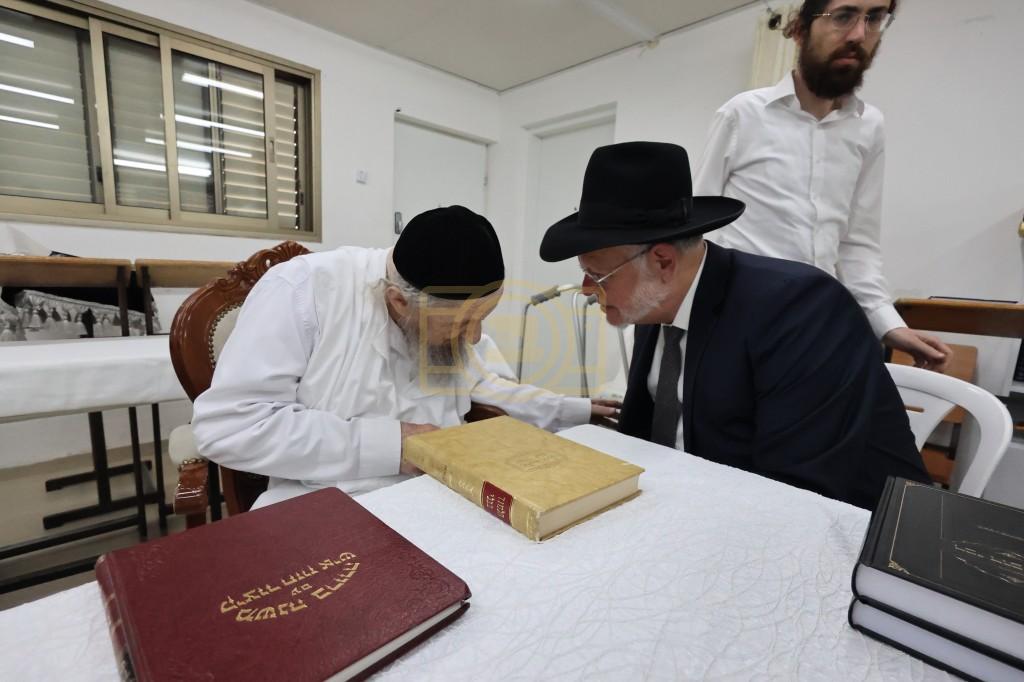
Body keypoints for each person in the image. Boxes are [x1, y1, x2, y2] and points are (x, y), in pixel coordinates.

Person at [540, 141, 929, 510]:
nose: (587, 289)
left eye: (599, 275)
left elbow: (796, 487)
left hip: (852, 530)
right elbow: (645, 435)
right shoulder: (652, 302)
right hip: (697, 500)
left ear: (662, 262)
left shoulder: (798, 308)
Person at [192, 206, 617, 508]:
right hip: (324, 504)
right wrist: (396, 445)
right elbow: (229, 426)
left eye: (483, 317)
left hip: (444, 497)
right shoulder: (303, 290)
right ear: (398, 302)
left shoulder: (444, 315)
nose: (475, 337)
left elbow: (484, 384)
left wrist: (573, 409)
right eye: (463, 324)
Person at [694, 0, 952, 372]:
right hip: (736, 325)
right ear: (801, 29)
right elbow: (698, 227)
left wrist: (888, 324)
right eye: (844, 16)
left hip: (816, 326)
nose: (859, 34)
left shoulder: (868, 127)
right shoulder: (743, 114)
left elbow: (856, 242)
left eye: (875, 18)